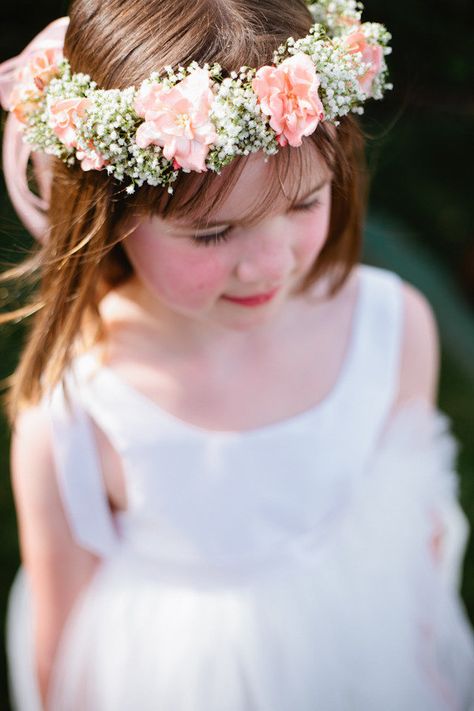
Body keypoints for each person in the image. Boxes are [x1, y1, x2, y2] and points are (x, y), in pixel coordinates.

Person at [1, 1, 474, 709]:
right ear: (110, 214)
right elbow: (58, 636)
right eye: (214, 233)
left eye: (304, 203)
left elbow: (414, 508)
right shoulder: (76, 410)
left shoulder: (390, 327)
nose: (267, 263)